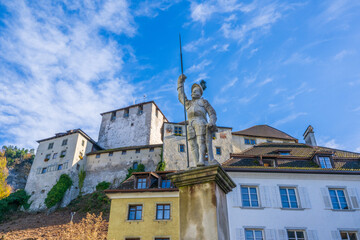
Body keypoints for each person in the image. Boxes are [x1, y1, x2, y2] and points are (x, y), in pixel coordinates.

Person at [177, 74, 217, 166]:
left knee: (200, 141)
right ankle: (196, 163)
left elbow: (212, 113)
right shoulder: (188, 104)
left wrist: (212, 122)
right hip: (190, 124)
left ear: (200, 93)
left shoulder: (203, 102)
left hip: (200, 122)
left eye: (195, 91)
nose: (193, 92)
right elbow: (181, 96)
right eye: (192, 91)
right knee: (192, 144)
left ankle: (201, 160)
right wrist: (180, 83)